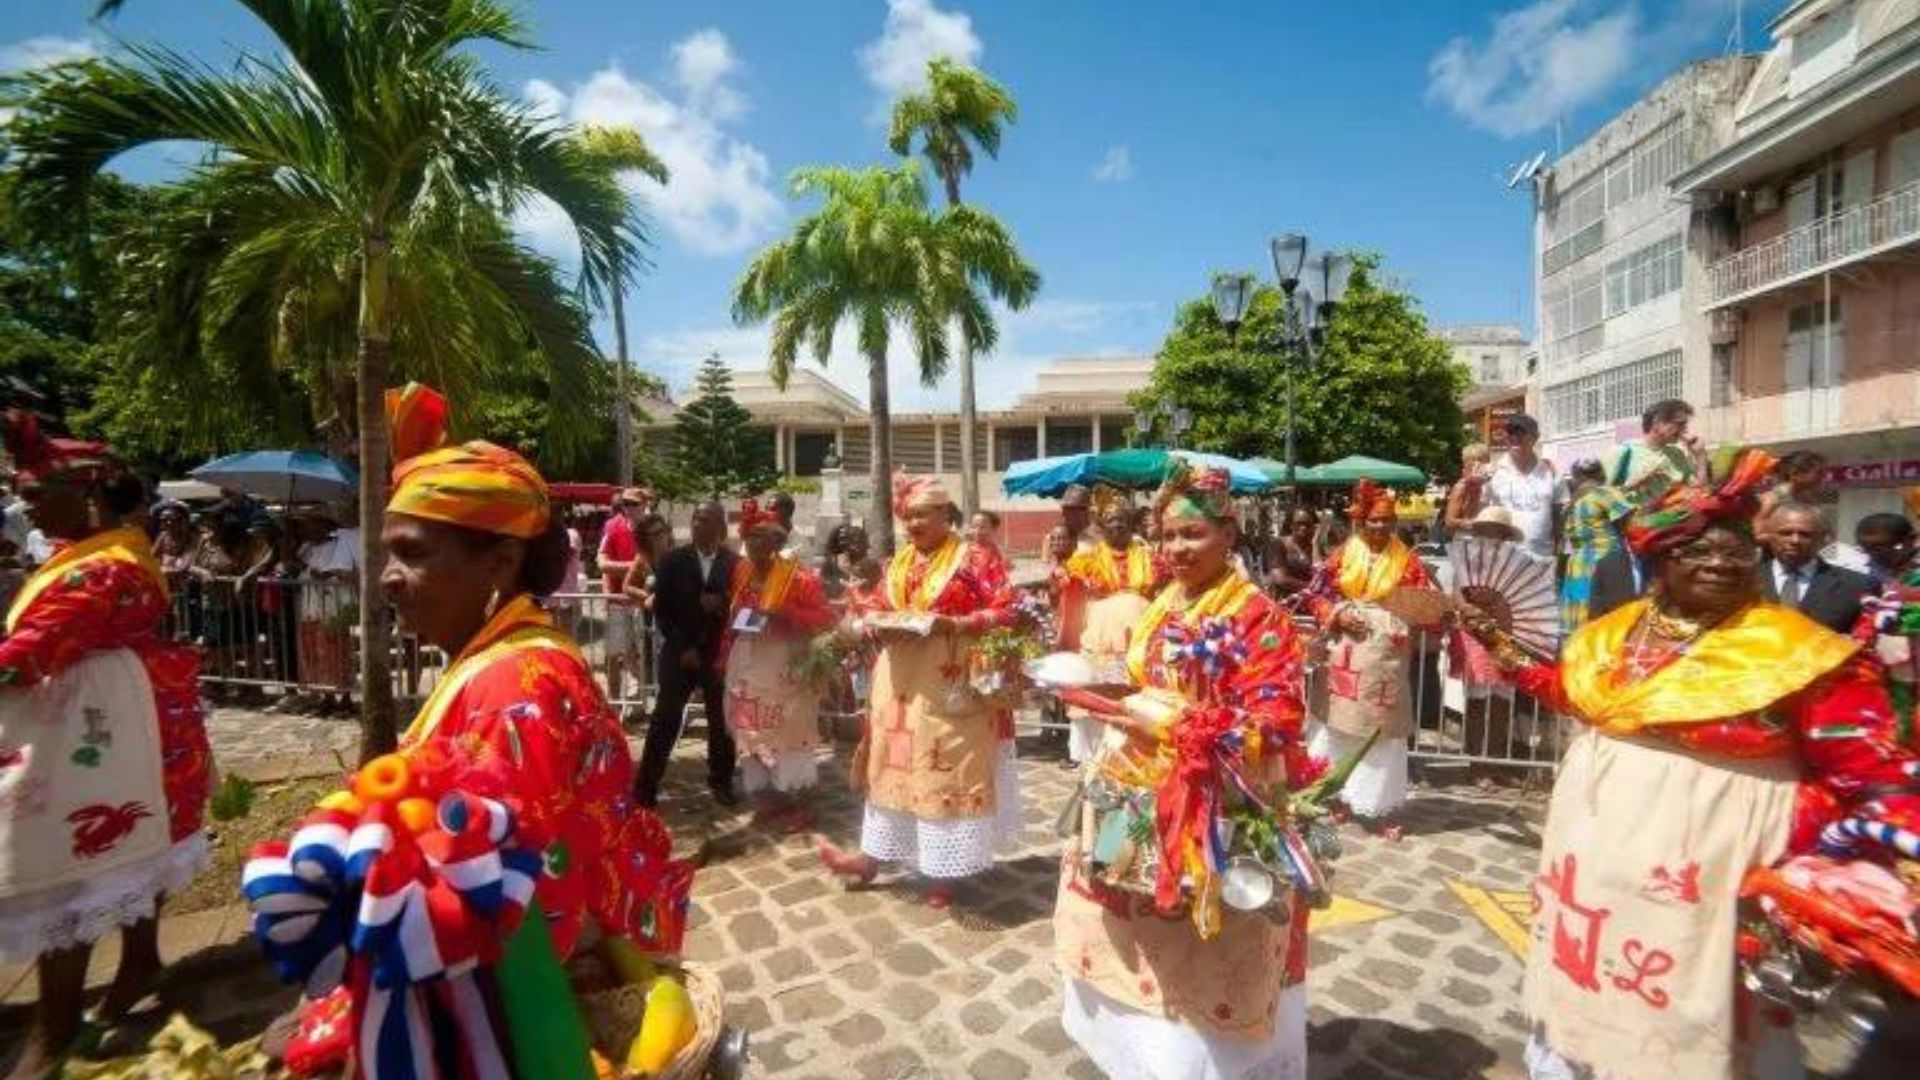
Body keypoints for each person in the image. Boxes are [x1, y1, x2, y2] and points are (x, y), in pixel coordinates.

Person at [246, 383, 691, 1079]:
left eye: (412, 553)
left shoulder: (513, 686)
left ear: (499, 562)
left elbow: (519, 903)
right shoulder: (502, 660)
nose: (387, 579)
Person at [1463, 449, 1920, 1080]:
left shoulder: (1805, 655)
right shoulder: (1614, 632)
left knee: (1692, 1017)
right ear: (1658, 562)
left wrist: (1858, 875)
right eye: (1696, 551)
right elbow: (1575, 695)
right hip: (1592, 856)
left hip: (1715, 864)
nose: (1720, 563)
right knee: (1584, 987)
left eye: (1736, 551)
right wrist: (1502, 648)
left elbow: (1873, 774)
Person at [1051, 461, 1311, 1080]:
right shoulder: (1166, 601)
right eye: (1167, 536)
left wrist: (1181, 727)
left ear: (1229, 534)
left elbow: (1277, 719)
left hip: (1220, 798)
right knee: (1125, 927)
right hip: (1137, 788)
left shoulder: (1258, 616)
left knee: (1213, 948)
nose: (1176, 549)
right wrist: (1105, 690)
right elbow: (1152, 679)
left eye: (1192, 535)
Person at [0, 416, 210, 1080]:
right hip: (109, 729)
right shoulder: (89, 554)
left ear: (87, 492)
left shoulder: (107, 569)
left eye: (37, 491)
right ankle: (139, 965)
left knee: (74, 873)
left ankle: (55, 1032)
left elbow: (32, 652)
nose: (26, 503)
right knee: (126, 860)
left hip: (110, 736)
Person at [814, 472, 1022, 909]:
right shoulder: (899, 563)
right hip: (898, 684)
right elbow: (879, 608)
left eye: (921, 514)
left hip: (952, 686)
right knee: (891, 767)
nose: (912, 524)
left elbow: (1009, 611)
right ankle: (871, 858)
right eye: (907, 516)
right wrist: (867, 621)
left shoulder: (976, 558)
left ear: (946, 515)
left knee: (942, 769)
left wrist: (958, 624)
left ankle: (942, 870)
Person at [1306, 479, 1437, 829]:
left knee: (1382, 729)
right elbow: (1315, 595)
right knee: (1339, 725)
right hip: (1344, 652)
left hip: (1385, 656)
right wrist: (1337, 615)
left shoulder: (1409, 562)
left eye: (1386, 520)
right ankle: (1336, 796)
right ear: (1361, 522)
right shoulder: (1342, 554)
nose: (1379, 526)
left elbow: (1425, 602)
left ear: (1395, 523)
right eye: (1373, 520)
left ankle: (1380, 809)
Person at [722, 499, 835, 831]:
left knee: (787, 735)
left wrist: (786, 614)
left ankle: (802, 802)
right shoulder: (741, 571)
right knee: (750, 731)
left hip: (786, 668)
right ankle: (772, 799)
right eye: (751, 536)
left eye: (765, 537)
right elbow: (738, 613)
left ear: (777, 541)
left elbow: (825, 618)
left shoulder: (798, 577)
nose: (757, 543)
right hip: (746, 664)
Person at [632, 501, 740, 809]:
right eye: (694, 518)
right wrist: (685, 647)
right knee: (665, 717)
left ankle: (721, 780)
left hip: (718, 655)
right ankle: (645, 787)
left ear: (719, 527)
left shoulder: (734, 563)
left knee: (721, 721)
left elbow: (742, 605)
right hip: (680, 653)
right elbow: (662, 611)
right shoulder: (673, 561)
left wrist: (722, 603)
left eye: (704, 519)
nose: (696, 524)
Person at [1060, 487, 1164, 764]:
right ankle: (1094, 776)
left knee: (1137, 709)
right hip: (1099, 642)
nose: (1117, 525)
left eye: (1122, 520)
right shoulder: (1084, 561)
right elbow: (1067, 599)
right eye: (1111, 520)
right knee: (1097, 712)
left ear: (1132, 525)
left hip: (1141, 643)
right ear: (1101, 526)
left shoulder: (1152, 558)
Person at [1759, 501, 1875, 634]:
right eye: (1785, 533)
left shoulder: (1856, 585)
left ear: (1823, 538)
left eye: (1805, 534)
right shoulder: (1744, 581)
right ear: (1768, 536)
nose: (1795, 540)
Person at [1558, 462, 1633, 634]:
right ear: (1601, 474)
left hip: (1578, 566)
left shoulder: (1571, 504)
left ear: (1576, 476)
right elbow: (1631, 525)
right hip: (1607, 562)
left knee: (1577, 626)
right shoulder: (1606, 494)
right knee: (1612, 622)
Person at [597, 488, 651, 705]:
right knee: (613, 655)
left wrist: (617, 569)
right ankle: (614, 702)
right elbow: (602, 564)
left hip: (643, 602)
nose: (628, 508)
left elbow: (658, 564)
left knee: (640, 656)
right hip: (618, 602)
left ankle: (640, 703)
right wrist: (636, 567)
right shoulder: (613, 526)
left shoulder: (653, 528)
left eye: (633, 504)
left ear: (645, 504)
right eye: (625, 503)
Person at [1603, 398, 1709, 504]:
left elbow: (1698, 490)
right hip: (1637, 519)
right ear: (1657, 422)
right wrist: (1633, 484)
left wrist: (1700, 456)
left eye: (1684, 425)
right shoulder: (1623, 452)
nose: (1684, 430)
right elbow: (1597, 499)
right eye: (1679, 424)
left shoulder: (1677, 453)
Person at [1485, 415, 1559, 561]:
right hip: (1502, 560)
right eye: (1511, 432)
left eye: (1522, 432)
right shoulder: (1492, 472)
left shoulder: (1551, 472)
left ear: (1535, 437)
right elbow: (1478, 515)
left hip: (1542, 559)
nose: (1515, 438)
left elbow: (1558, 517)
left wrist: (1558, 552)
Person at [1754, 450, 1827, 542]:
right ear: (1795, 474)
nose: (1823, 477)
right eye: (1819, 472)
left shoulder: (1808, 500)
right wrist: (1790, 538)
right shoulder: (1773, 499)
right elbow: (1758, 535)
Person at [1262, 506, 1319, 599]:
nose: (1303, 527)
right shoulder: (1278, 544)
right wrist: (1312, 587)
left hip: (1312, 602)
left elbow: (1320, 573)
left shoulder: (1315, 547)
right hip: (1285, 603)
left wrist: (1315, 544)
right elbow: (1280, 579)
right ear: (1291, 525)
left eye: (1308, 524)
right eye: (1299, 523)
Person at [1443, 442, 1493, 537]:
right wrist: (1475, 523)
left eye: (1483, 460)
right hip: (1467, 540)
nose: (1478, 463)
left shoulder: (1490, 484)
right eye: (1473, 459)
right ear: (1465, 463)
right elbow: (1449, 522)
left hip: (1487, 538)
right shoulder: (1462, 486)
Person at [1854, 511, 1917, 585]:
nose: (1872, 554)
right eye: (1865, 548)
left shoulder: (1915, 571)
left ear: (1908, 542)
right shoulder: (1867, 569)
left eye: (1879, 547)